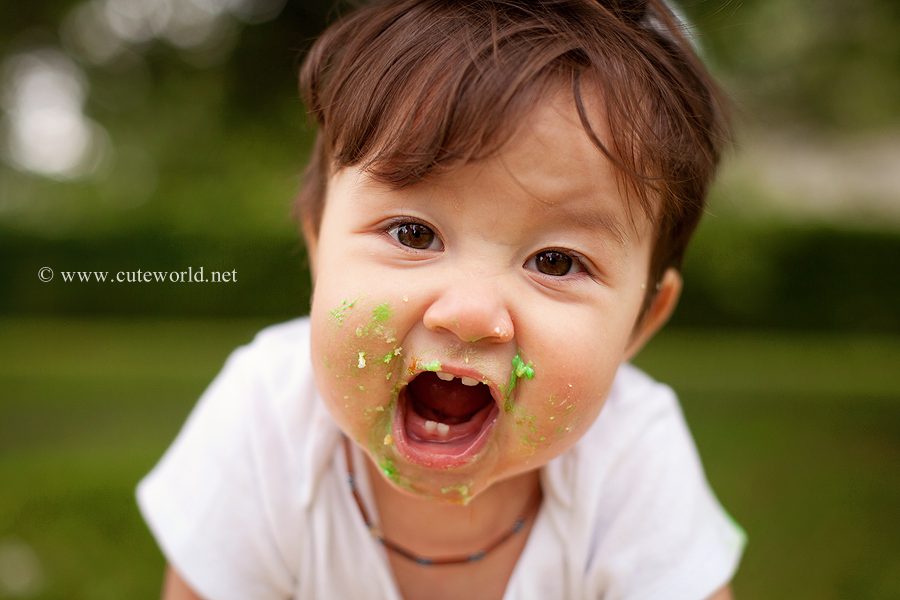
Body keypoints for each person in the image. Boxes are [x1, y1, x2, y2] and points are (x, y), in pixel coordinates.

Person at [137, 1, 746, 598]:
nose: (471, 314)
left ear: (641, 324)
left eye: (555, 263)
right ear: (319, 250)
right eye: (414, 234)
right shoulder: (265, 417)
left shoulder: (633, 459)